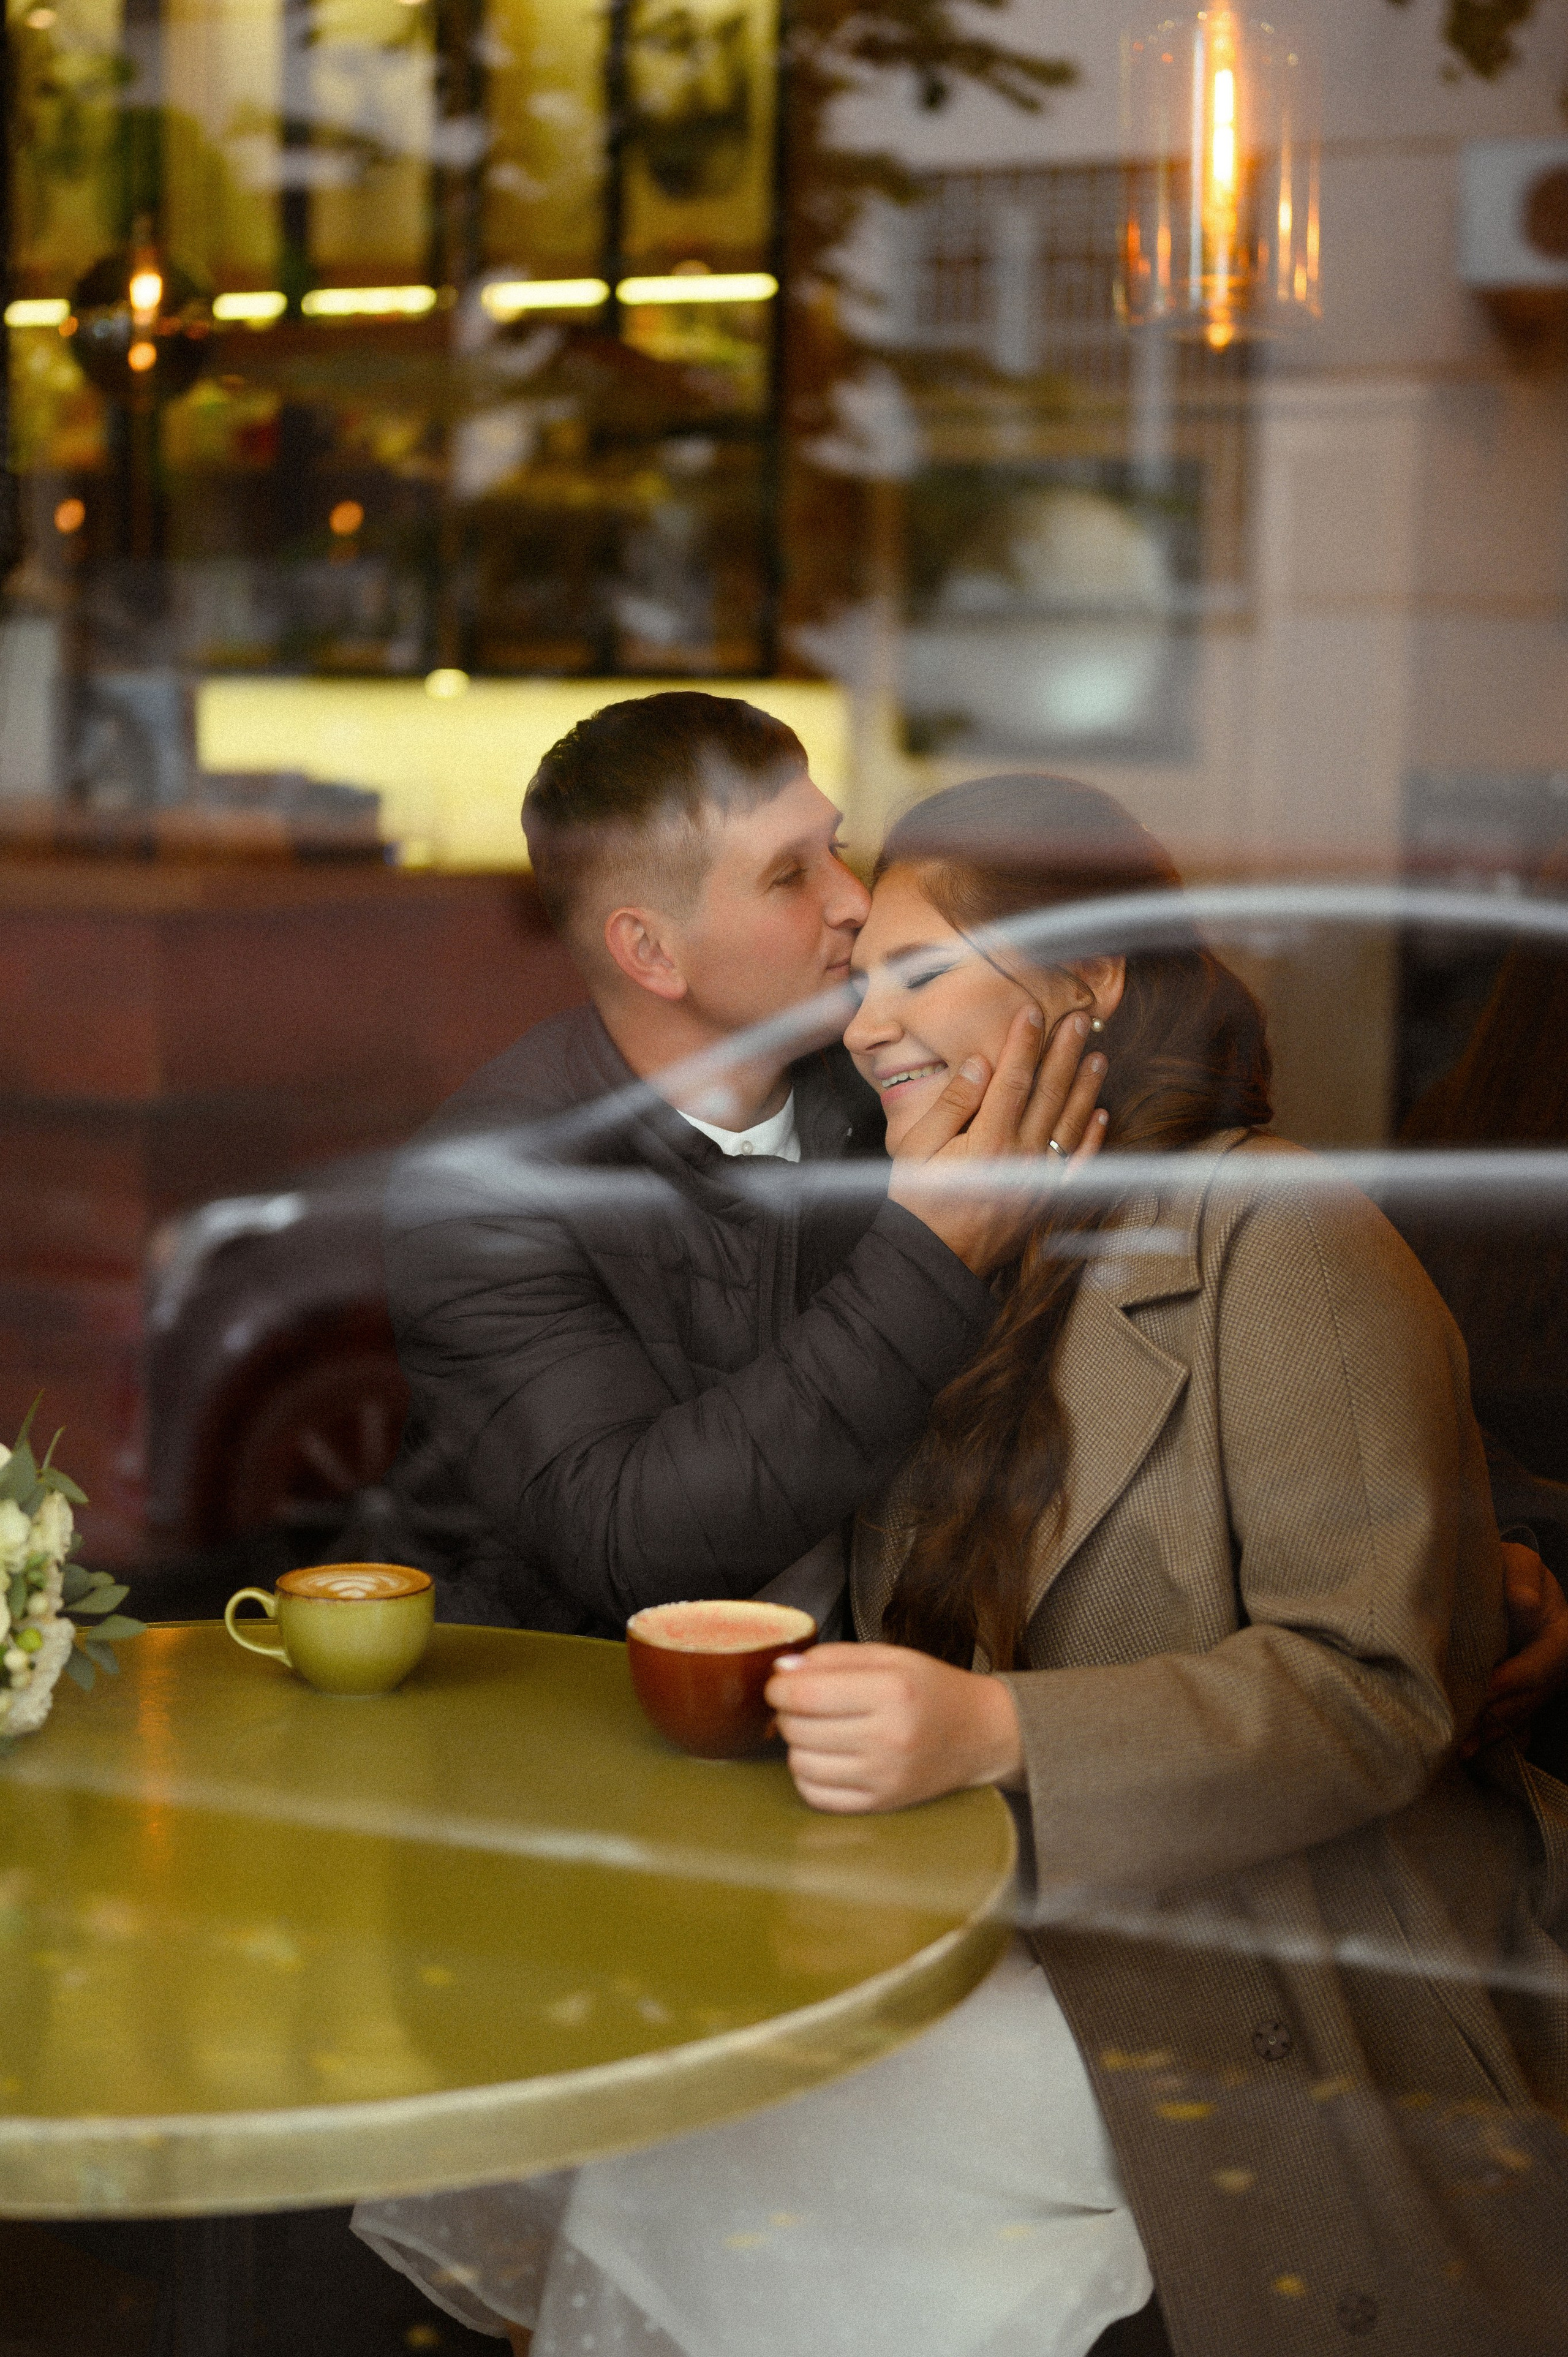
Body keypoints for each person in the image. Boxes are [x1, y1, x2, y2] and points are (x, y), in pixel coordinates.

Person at [358, 772, 1568, 2357]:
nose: (866, 1027)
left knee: (742, 2126)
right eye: (861, 984)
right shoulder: (950, 1244)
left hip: (1248, 1965)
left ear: (1091, 981)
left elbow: (1376, 1695)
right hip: (984, 1914)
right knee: (664, 2064)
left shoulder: (1280, 1235)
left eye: (917, 974)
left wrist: (1000, 1739)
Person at [381, 690, 1105, 1639]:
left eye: (835, 848)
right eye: (787, 877)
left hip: (880, 1712)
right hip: (576, 1727)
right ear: (651, 951)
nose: (854, 902)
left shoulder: (884, 1082)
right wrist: (930, 1252)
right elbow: (629, 1546)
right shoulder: (481, 1190)